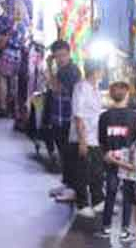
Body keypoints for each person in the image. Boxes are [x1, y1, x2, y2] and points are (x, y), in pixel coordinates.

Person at [100, 80, 136, 241]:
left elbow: (101, 140)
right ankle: (124, 230)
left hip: (111, 159)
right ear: (127, 95)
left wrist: (107, 154)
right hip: (128, 161)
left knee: (110, 193)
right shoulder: (134, 116)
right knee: (128, 196)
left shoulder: (104, 117)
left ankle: (106, 227)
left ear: (110, 95)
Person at [47, 40, 82, 204]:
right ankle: (67, 184)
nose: (60, 59)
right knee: (64, 152)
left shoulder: (70, 71)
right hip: (60, 118)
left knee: (69, 154)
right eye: (57, 56)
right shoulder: (62, 69)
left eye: (63, 55)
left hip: (69, 119)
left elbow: (56, 88)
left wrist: (49, 68)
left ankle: (73, 188)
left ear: (69, 54)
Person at [72, 63, 106, 218]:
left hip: (95, 136)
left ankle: (98, 201)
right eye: (102, 70)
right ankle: (82, 203)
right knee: (82, 172)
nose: (104, 73)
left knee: (97, 171)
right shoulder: (81, 87)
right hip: (83, 136)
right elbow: (78, 116)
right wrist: (82, 140)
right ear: (96, 71)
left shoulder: (96, 88)